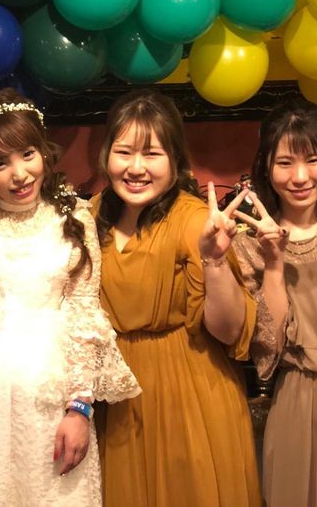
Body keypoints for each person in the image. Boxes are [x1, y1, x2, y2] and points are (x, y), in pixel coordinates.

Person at [0, 88, 141, 506]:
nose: (20, 174)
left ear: (43, 152)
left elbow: (83, 313)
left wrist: (80, 408)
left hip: (47, 400)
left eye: (28, 154)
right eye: (0, 163)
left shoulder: (74, 216)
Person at [93, 90, 261, 506]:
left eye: (152, 154)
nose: (136, 168)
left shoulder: (194, 220)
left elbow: (229, 331)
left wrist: (214, 260)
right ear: (106, 155)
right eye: (124, 152)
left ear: (175, 160)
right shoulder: (90, 215)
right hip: (119, 399)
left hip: (190, 395)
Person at [232, 100, 317, 507]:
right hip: (296, 400)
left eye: (313, 160)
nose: (300, 177)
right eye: (285, 162)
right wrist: (273, 261)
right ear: (266, 167)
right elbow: (267, 345)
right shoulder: (248, 243)